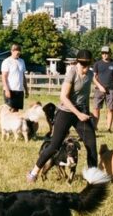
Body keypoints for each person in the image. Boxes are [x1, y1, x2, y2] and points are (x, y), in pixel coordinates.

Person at [27, 50, 107, 184]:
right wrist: (78, 114)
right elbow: (63, 97)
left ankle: (92, 178)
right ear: (77, 62)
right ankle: (33, 172)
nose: (85, 69)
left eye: (88, 65)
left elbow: (92, 78)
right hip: (66, 112)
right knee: (54, 145)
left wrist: (100, 87)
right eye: (83, 65)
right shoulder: (72, 73)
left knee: (91, 145)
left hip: (82, 112)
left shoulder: (90, 72)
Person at [91, 46, 113, 132]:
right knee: (96, 108)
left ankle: (109, 128)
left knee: (110, 109)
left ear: (110, 54)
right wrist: (100, 86)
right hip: (99, 89)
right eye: (103, 53)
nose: (105, 55)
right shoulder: (97, 64)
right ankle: (94, 127)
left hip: (111, 90)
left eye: (106, 53)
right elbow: (94, 78)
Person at [1, 43, 28, 110]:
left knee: (16, 113)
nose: (18, 52)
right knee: (9, 111)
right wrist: (7, 90)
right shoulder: (7, 61)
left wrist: (26, 89)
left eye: (19, 51)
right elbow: (4, 77)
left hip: (19, 90)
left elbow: (23, 76)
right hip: (10, 90)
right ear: (12, 51)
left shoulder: (22, 61)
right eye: (16, 51)